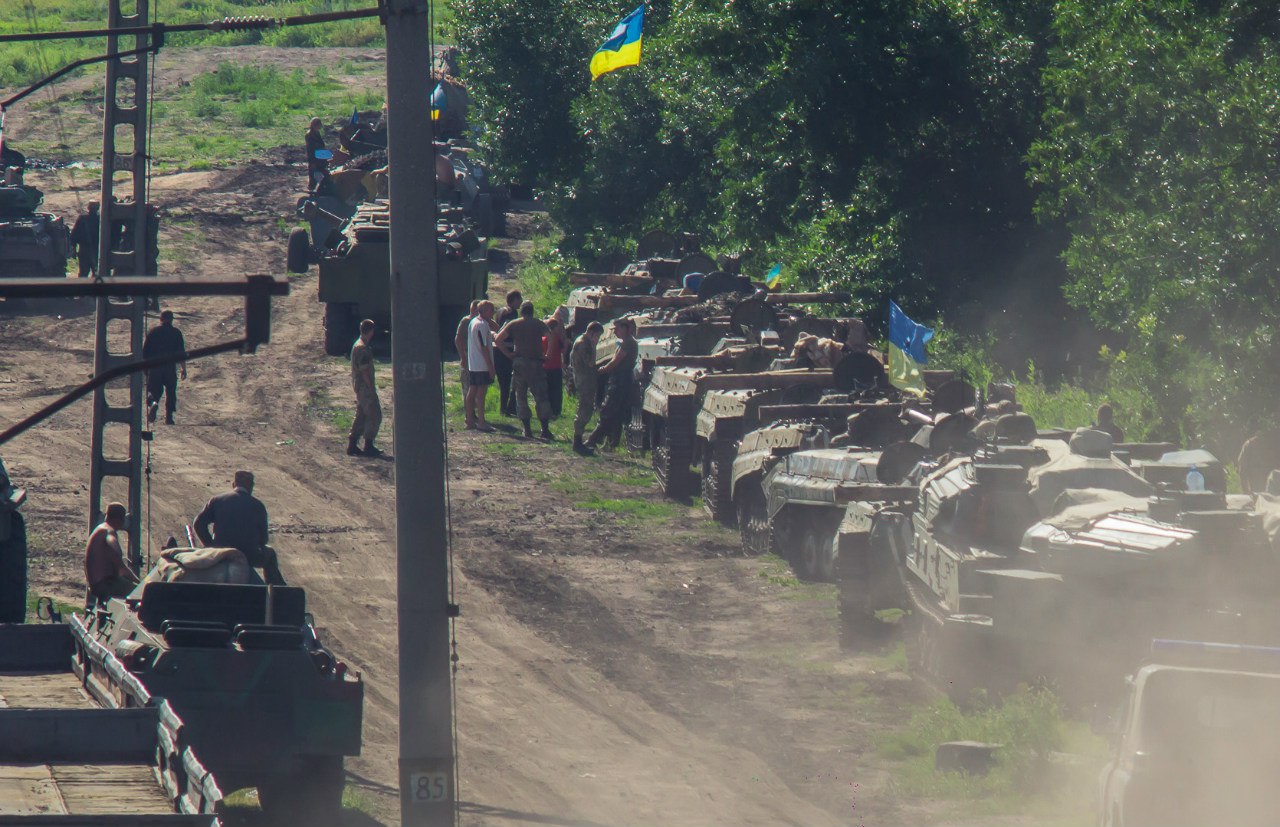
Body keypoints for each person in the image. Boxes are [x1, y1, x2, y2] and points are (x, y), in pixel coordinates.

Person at [193, 471, 283, 585]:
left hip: (221, 552)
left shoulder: (217, 500)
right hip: (248, 556)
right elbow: (264, 539)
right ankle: (275, 588)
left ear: (234, 484)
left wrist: (210, 545)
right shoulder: (258, 505)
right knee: (270, 554)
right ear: (251, 486)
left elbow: (198, 524)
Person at [495, 301, 554, 440]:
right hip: (536, 363)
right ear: (532, 311)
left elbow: (498, 339)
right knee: (541, 396)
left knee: (521, 396)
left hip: (519, 363)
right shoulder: (539, 323)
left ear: (521, 311)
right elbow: (551, 338)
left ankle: (527, 429)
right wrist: (548, 355)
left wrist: (508, 354)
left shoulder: (514, 324)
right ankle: (545, 429)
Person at [586, 318, 638, 450]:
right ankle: (611, 443)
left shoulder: (628, 343)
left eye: (617, 329)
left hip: (620, 382)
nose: (615, 332)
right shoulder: (626, 342)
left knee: (607, 411)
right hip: (620, 380)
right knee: (616, 414)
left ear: (625, 328)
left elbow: (615, 362)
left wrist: (601, 370)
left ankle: (593, 440)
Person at [85, 502, 139, 602]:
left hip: (96, 583)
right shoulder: (108, 531)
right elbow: (110, 540)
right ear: (120, 519)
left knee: (130, 586)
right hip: (104, 584)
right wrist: (139, 582)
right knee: (139, 592)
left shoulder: (100, 528)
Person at [142, 310, 186, 425]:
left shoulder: (153, 332)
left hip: (155, 367)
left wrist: (145, 368)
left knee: (152, 391)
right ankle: (169, 417)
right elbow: (181, 353)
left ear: (160, 319)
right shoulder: (176, 333)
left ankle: (153, 404)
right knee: (171, 392)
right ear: (171, 320)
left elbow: (145, 352)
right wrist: (183, 368)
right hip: (170, 368)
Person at [348, 319, 383, 457]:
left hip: (359, 386)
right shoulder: (362, 348)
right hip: (365, 387)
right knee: (374, 414)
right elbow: (364, 370)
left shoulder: (357, 345)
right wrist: (369, 386)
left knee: (361, 414)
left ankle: (352, 444)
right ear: (371, 331)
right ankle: (368, 445)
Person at [568, 321, 604, 455]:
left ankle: (578, 441)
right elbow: (590, 363)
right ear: (591, 333)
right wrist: (594, 347)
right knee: (584, 409)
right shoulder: (583, 344)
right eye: (597, 336)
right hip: (584, 381)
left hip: (585, 380)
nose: (598, 339)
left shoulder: (582, 341)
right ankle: (577, 442)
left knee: (586, 408)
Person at [466, 300, 497, 432]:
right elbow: (484, 347)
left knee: (472, 391)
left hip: (473, 364)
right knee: (481, 393)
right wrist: (490, 367)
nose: (493, 312)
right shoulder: (482, 325)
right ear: (484, 311)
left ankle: (469, 420)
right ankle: (482, 422)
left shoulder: (473, 322)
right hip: (482, 364)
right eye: (491, 310)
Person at [493, 291, 521, 416]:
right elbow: (506, 330)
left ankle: (504, 407)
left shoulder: (500, 311)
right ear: (513, 300)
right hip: (505, 350)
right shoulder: (511, 313)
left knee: (503, 381)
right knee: (506, 381)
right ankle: (505, 408)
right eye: (519, 299)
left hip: (497, 350)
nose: (520, 302)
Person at [542, 316, 569, 419]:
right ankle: (556, 411)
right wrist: (566, 343)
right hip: (555, 366)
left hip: (545, 367)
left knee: (547, 390)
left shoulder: (543, 338)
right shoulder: (556, 337)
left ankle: (547, 410)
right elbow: (563, 350)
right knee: (556, 391)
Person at [454, 300, 481, 396]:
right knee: (467, 385)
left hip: (479, 356)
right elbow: (458, 339)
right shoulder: (466, 321)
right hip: (467, 354)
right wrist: (463, 356)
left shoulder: (482, 322)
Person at [69, 201, 100, 278]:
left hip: (84, 251)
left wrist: (73, 249)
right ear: (98, 208)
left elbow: (74, 235)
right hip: (96, 251)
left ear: (88, 208)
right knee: (96, 275)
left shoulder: (82, 219)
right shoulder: (100, 220)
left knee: (83, 274)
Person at [305, 117, 327, 192]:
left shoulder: (317, 133)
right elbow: (310, 149)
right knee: (313, 174)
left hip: (320, 157)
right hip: (314, 158)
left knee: (322, 173)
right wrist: (312, 161)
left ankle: (321, 187)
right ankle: (311, 189)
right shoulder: (309, 135)